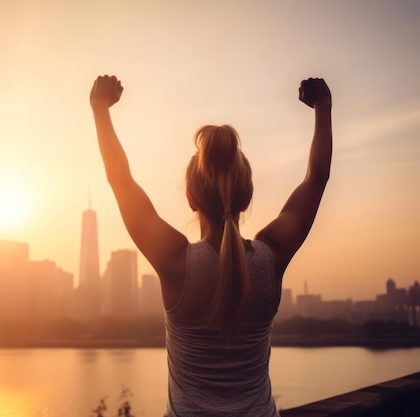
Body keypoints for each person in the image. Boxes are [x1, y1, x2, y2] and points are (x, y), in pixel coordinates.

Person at [89, 75, 332, 416]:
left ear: (191, 198)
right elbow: (317, 177)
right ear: (247, 197)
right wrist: (323, 107)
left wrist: (100, 108)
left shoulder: (176, 262)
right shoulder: (270, 257)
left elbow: (119, 178)